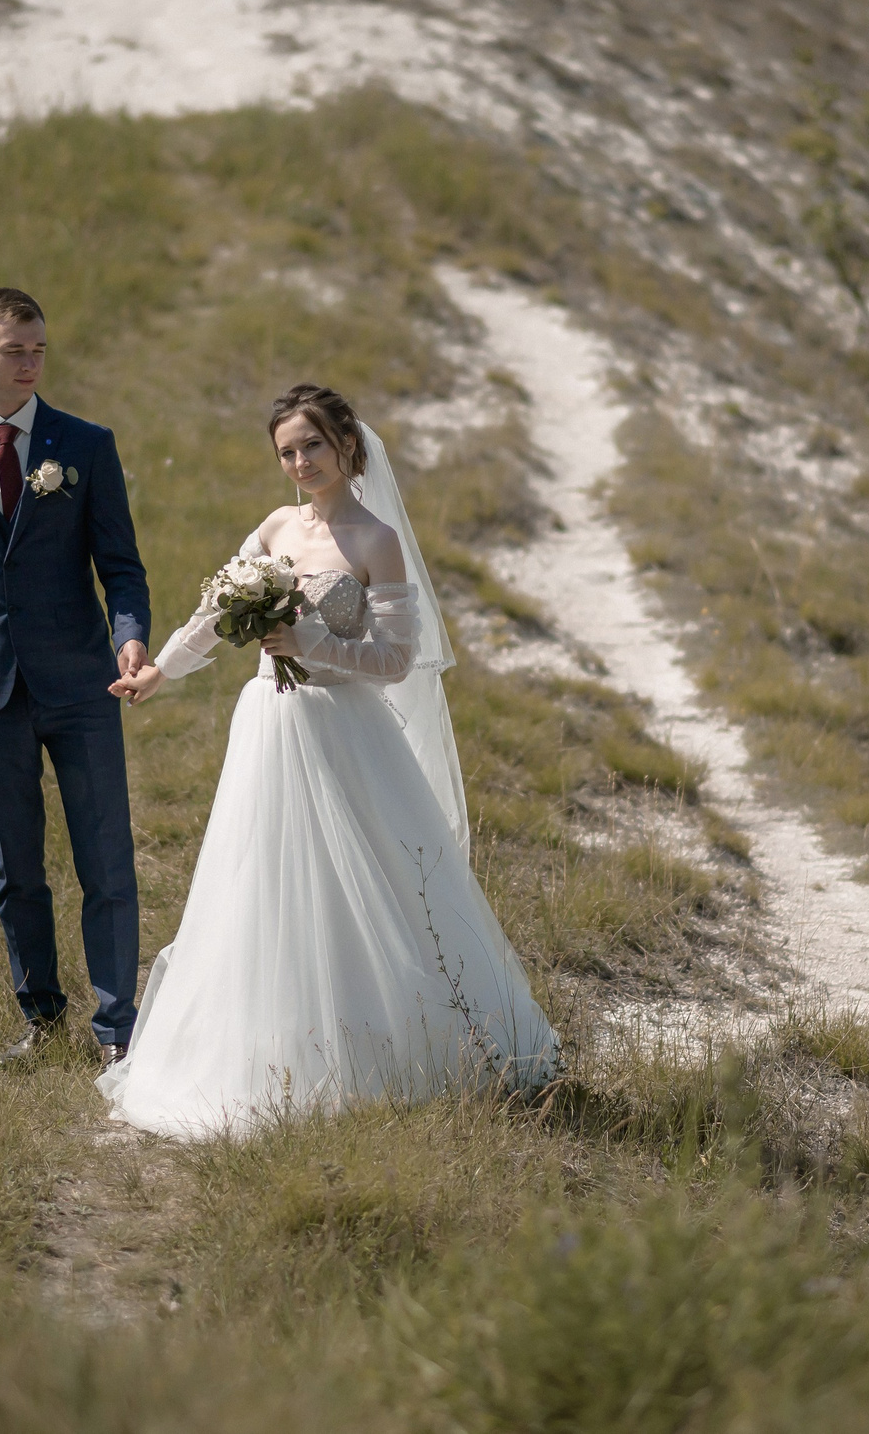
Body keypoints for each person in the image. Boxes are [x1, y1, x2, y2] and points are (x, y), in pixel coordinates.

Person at [100, 384, 557, 1138]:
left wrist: (315, 647)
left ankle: (377, 1049)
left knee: (363, 885)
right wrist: (160, 671)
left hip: (346, 732)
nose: (300, 461)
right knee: (263, 880)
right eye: (286, 451)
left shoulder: (376, 540)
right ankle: (263, 1046)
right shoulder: (277, 525)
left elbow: (400, 657)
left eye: (312, 444)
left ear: (346, 444)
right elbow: (215, 615)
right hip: (272, 728)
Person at [0, 287, 151, 1064]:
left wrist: (132, 638)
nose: (30, 364)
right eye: (15, 350)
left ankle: (118, 1026)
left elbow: (122, 567)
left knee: (105, 857)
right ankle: (41, 1020)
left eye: (40, 349)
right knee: (17, 870)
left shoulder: (85, 443)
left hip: (84, 683)